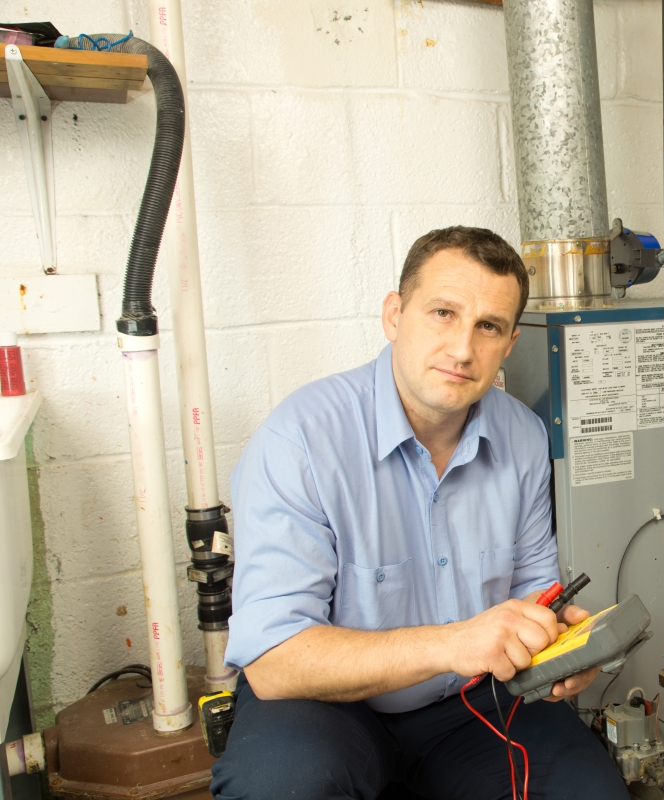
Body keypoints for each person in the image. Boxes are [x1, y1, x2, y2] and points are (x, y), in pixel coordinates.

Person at [210, 227, 629, 800]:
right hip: (327, 707)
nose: (462, 349)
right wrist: (450, 643)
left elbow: (535, 591)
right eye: (443, 313)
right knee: (277, 789)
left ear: (508, 346)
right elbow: (274, 661)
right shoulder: (301, 439)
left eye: (489, 327)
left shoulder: (524, 437)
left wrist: (558, 645)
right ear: (394, 315)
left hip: (472, 702)